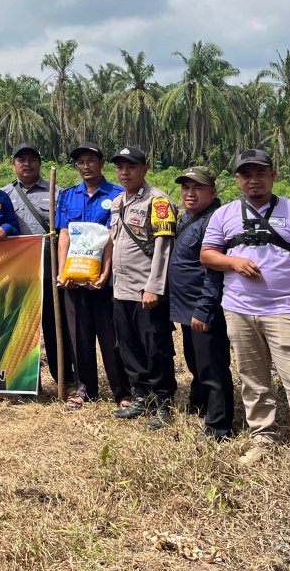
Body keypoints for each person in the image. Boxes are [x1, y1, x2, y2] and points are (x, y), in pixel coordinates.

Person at [201, 149, 290, 476]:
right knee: (253, 378)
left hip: (286, 310)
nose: (253, 180)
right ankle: (263, 438)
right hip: (239, 310)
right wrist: (233, 262)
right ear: (238, 179)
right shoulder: (225, 214)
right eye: (246, 174)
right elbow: (207, 255)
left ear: (273, 175)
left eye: (260, 173)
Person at [104, 147, 178, 427]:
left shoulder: (158, 201)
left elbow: (163, 247)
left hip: (147, 291)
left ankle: (163, 404)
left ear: (144, 169)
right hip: (122, 289)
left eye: (131, 166)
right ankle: (141, 398)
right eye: (120, 167)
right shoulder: (118, 201)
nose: (125, 171)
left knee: (156, 348)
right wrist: (113, 284)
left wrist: (155, 287)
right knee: (129, 347)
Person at [54, 142, 131, 410]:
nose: (85, 166)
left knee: (111, 337)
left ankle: (122, 392)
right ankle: (84, 389)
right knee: (79, 335)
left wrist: (106, 272)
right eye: (80, 162)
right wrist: (62, 271)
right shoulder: (67, 196)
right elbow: (64, 235)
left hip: (104, 281)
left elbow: (113, 237)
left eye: (90, 161)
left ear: (101, 164)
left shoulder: (119, 195)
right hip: (74, 278)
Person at [166, 167, 235, 441]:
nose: (190, 193)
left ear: (213, 192)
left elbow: (214, 272)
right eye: (185, 188)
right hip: (184, 306)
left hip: (201, 307)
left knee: (213, 366)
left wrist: (204, 308)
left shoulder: (214, 221)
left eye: (198, 188)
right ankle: (199, 404)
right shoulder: (187, 217)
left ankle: (219, 425)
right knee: (195, 361)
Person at [3, 143, 74, 405]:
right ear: (13, 165)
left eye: (32, 159)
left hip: (52, 272)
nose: (27, 164)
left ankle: (65, 381)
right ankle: (24, 383)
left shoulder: (58, 193)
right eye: (21, 160)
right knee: (23, 330)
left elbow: (68, 229)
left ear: (40, 164)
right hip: (20, 276)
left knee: (57, 330)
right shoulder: (4, 194)